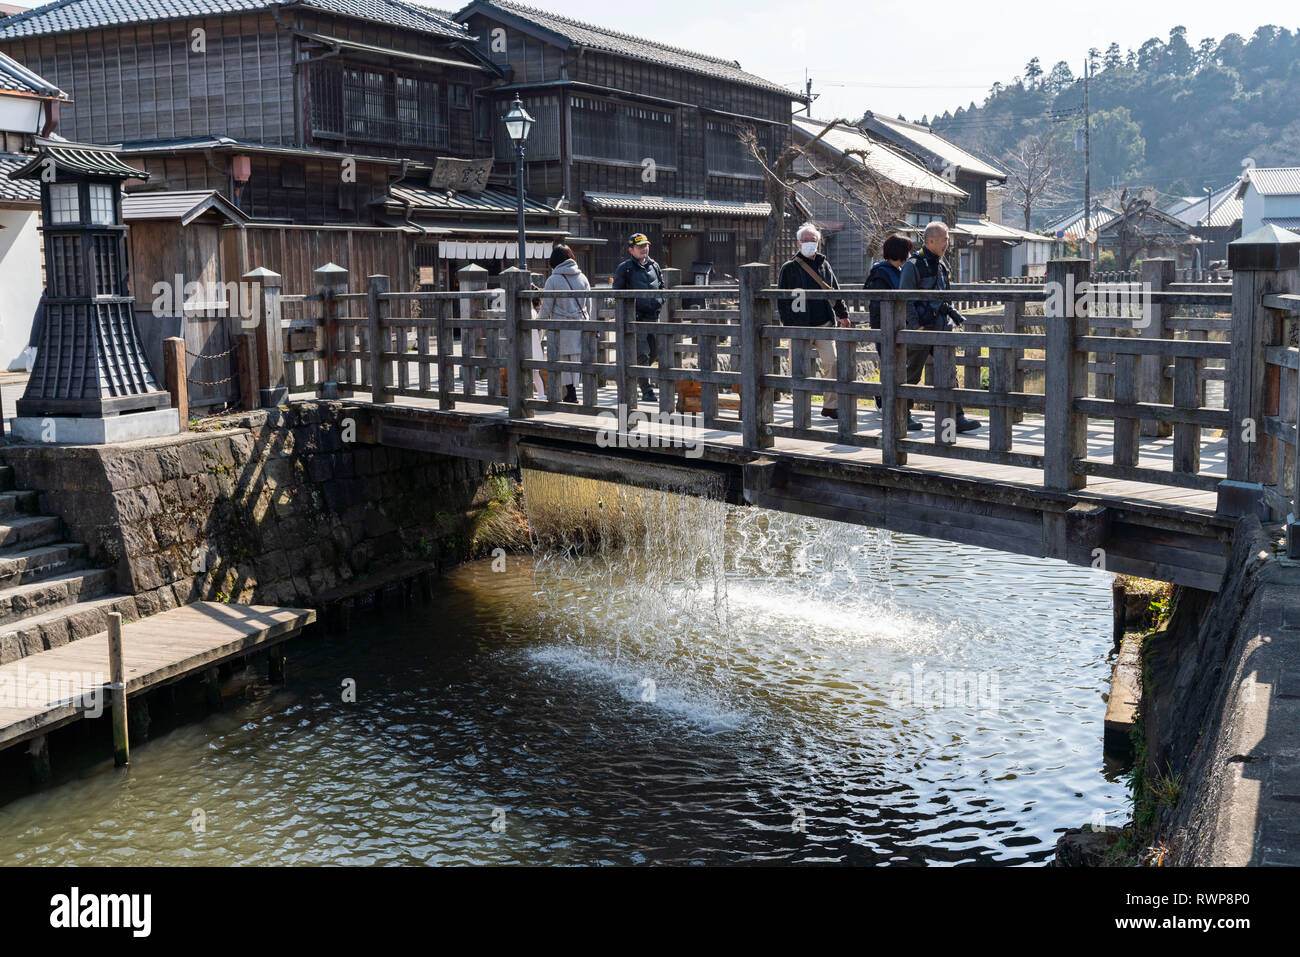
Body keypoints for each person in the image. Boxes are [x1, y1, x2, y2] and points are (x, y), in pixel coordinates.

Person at [899, 221, 981, 433]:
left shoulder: (942, 264)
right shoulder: (913, 265)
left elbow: (946, 295)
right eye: (944, 239)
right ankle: (901, 415)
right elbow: (904, 298)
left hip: (942, 326)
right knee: (911, 373)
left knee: (949, 372)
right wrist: (915, 326)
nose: (947, 244)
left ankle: (956, 417)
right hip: (922, 328)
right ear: (930, 240)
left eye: (947, 240)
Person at [776, 223, 850, 419]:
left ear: (819, 243)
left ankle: (830, 406)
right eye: (806, 241)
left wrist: (842, 314)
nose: (810, 244)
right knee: (798, 367)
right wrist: (788, 324)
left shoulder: (824, 264)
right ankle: (801, 405)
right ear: (798, 244)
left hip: (823, 323)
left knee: (832, 362)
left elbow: (834, 291)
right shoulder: (789, 268)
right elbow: (782, 299)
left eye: (813, 241)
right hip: (799, 325)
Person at [866, 233, 920, 428]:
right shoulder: (881, 272)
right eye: (907, 250)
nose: (910, 254)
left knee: (896, 363)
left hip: (898, 324)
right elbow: (880, 302)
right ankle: (889, 404)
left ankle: (886, 400)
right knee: (892, 363)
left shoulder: (896, 270)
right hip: (886, 325)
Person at [611, 233, 665, 403]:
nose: (644, 249)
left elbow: (662, 286)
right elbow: (616, 292)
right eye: (640, 246)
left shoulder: (654, 265)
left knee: (655, 351)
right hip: (636, 317)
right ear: (631, 249)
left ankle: (637, 377)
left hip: (653, 316)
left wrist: (660, 300)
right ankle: (646, 390)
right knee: (642, 353)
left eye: (646, 245)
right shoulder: (625, 268)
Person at [537, 244, 590, 404]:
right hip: (580, 325)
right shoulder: (583, 278)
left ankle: (569, 392)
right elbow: (589, 306)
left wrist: (538, 324)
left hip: (560, 328)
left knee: (562, 360)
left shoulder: (553, 280)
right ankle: (575, 392)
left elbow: (546, 308)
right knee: (576, 358)